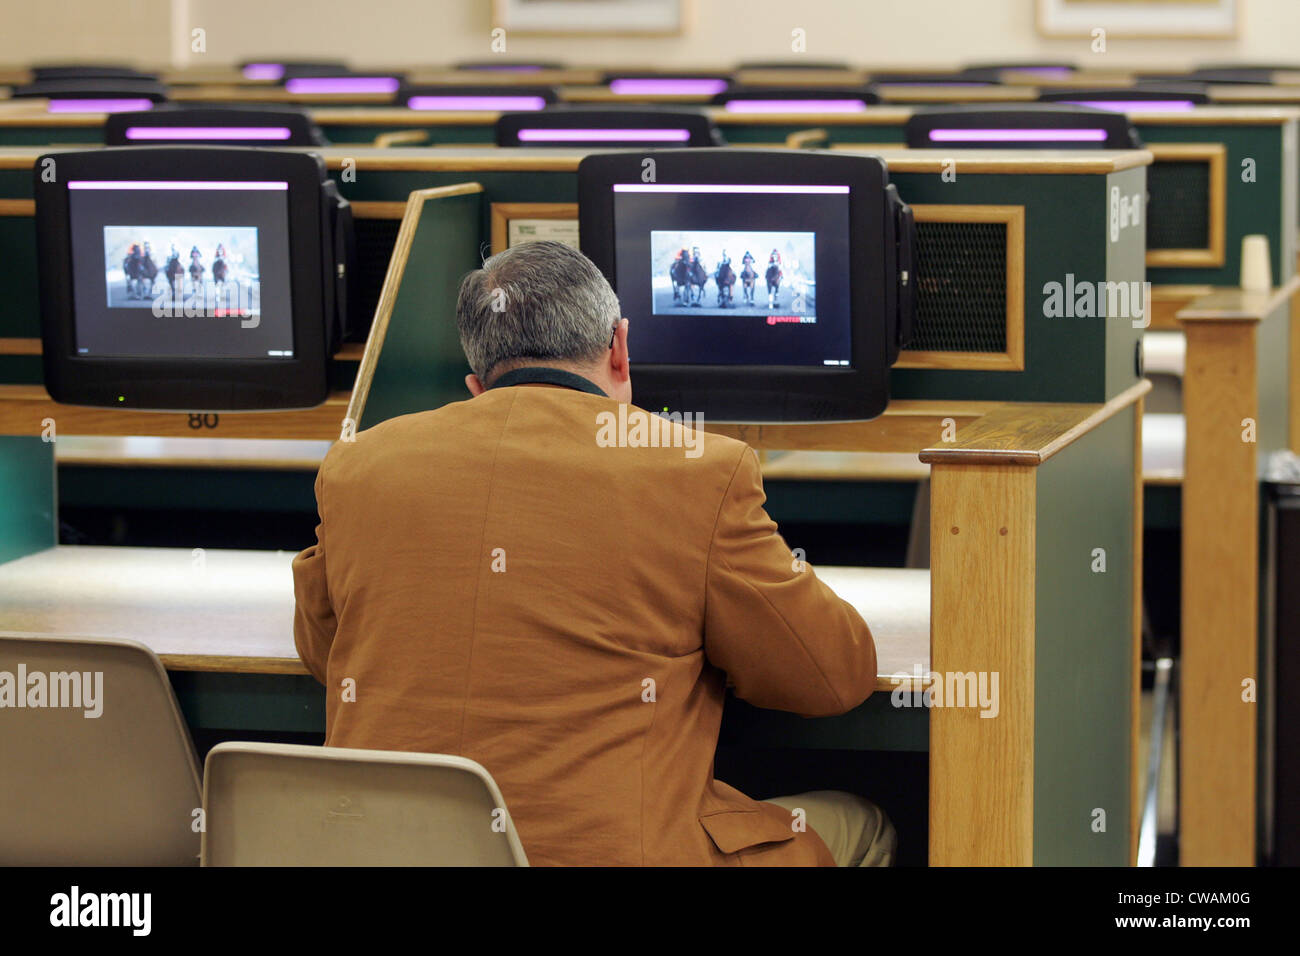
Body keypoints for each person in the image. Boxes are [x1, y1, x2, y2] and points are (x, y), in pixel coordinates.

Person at [292, 240, 896, 866]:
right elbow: (831, 679)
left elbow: (325, 654)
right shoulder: (699, 470)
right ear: (619, 346)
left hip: (380, 854)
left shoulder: (357, 465)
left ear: (476, 385)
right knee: (864, 821)